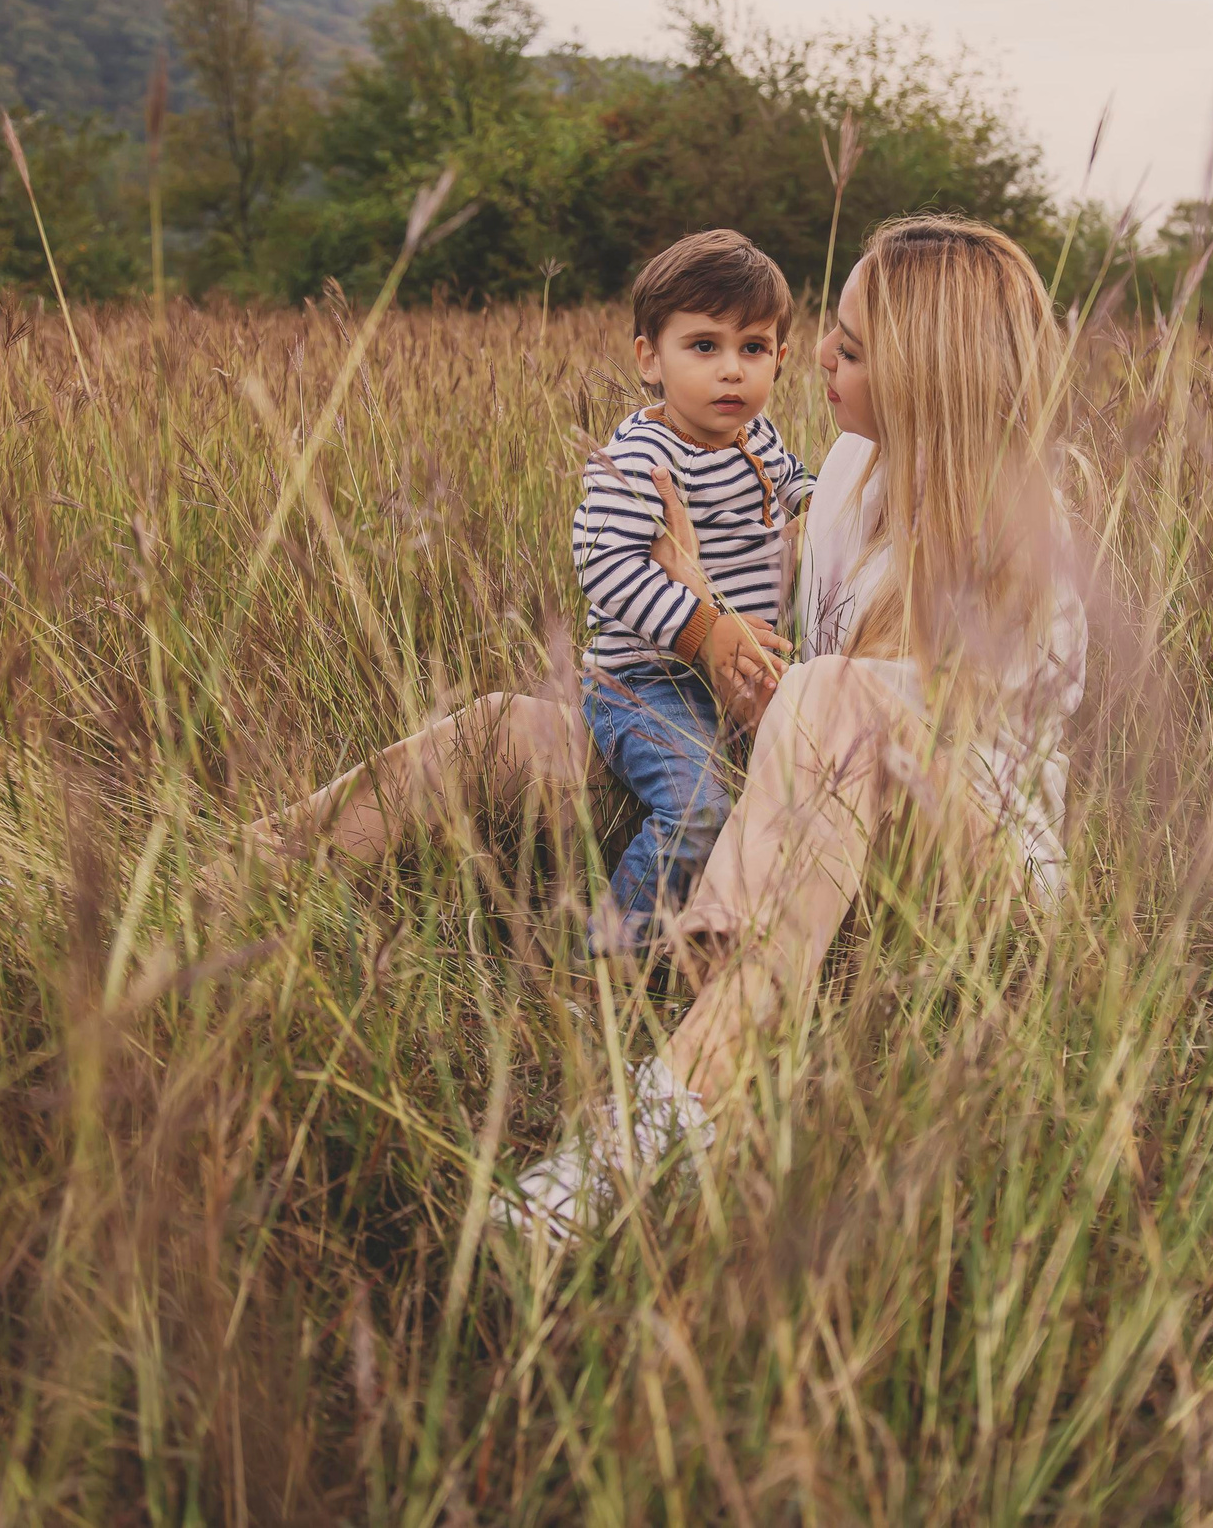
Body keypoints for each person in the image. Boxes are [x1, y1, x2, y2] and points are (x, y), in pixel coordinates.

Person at [246, 217, 1088, 1242]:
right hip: (799, 807)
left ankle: (648, 1122)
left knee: (830, 700)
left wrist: (713, 627)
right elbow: (778, 702)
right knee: (511, 728)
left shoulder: (1012, 544)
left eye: (853, 349)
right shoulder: (843, 490)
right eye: (832, 332)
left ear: (928, 374)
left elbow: (859, 741)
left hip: (961, 884)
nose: (813, 354)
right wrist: (708, 629)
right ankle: (229, 885)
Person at [572, 230, 811, 955]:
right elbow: (605, 566)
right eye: (703, 346)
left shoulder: (756, 438)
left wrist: (828, 506)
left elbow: (799, 489)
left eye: (754, 348)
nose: (731, 371)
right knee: (698, 809)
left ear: (779, 358)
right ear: (650, 356)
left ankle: (744, 943)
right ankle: (604, 960)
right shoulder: (641, 456)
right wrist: (704, 630)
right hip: (651, 679)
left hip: (741, 676)